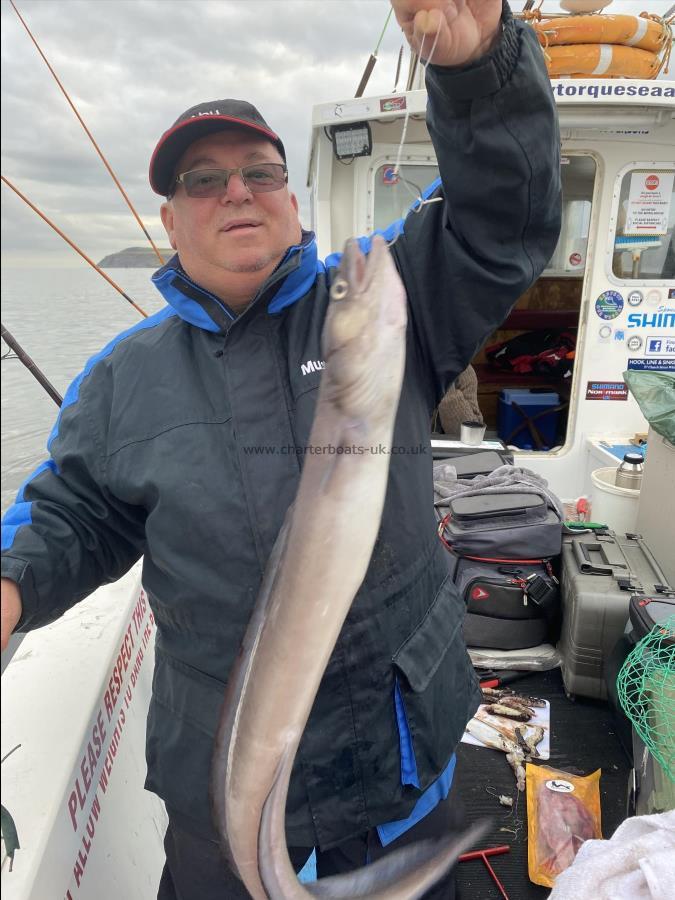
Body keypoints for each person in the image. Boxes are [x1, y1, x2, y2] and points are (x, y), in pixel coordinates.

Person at [1, 1, 561, 897]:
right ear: (170, 224)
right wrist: (13, 580)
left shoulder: (382, 300)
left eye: (261, 172)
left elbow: (502, 219)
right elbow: (75, 510)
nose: (236, 192)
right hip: (219, 794)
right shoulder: (122, 378)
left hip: (394, 760)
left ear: (293, 202)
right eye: (202, 181)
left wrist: (476, 66)